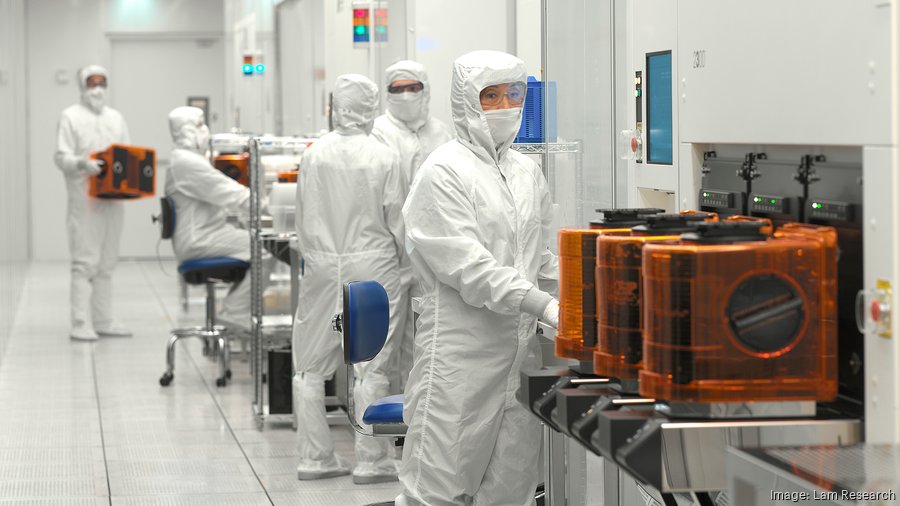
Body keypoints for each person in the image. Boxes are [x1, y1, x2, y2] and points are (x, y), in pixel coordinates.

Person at [396, 50, 560, 505]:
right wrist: (545, 305)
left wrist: (587, 291)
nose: (506, 105)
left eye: (514, 93)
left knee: (511, 491)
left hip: (520, 357)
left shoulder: (526, 171)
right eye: (491, 96)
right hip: (460, 359)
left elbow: (538, 258)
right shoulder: (444, 171)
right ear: (467, 101)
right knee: (437, 491)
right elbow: (471, 269)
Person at [292, 74, 407, 484]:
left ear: (335, 105)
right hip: (374, 267)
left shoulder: (314, 154)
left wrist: (316, 257)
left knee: (309, 366)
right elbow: (400, 223)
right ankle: (371, 461)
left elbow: (302, 217)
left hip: (323, 265)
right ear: (371, 107)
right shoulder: (383, 156)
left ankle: (315, 458)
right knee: (371, 366)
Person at [371, 60, 453, 391]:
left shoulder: (442, 133)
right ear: (387, 93)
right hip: (388, 254)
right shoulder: (378, 132)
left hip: (431, 253)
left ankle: (411, 433)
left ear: (425, 89)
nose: (406, 95)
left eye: (413, 87)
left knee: (422, 347)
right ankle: (375, 437)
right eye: (397, 89)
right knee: (379, 349)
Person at [55, 65, 132, 341]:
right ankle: (79, 322)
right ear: (82, 87)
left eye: (102, 83)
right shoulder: (70, 117)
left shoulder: (116, 118)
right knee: (85, 261)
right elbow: (61, 157)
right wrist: (82, 163)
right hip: (84, 198)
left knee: (107, 263)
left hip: (113, 199)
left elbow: (127, 154)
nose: (97, 88)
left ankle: (103, 320)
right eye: (92, 83)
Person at [164, 106, 254, 327]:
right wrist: (269, 204)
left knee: (256, 244)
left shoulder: (187, 159)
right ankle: (235, 310)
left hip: (205, 234)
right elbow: (232, 194)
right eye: (200, 126)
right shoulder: (187, 163)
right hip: (200, 239)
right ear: (187, 131)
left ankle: (236, 308)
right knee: (265, 250)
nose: (205, 131)